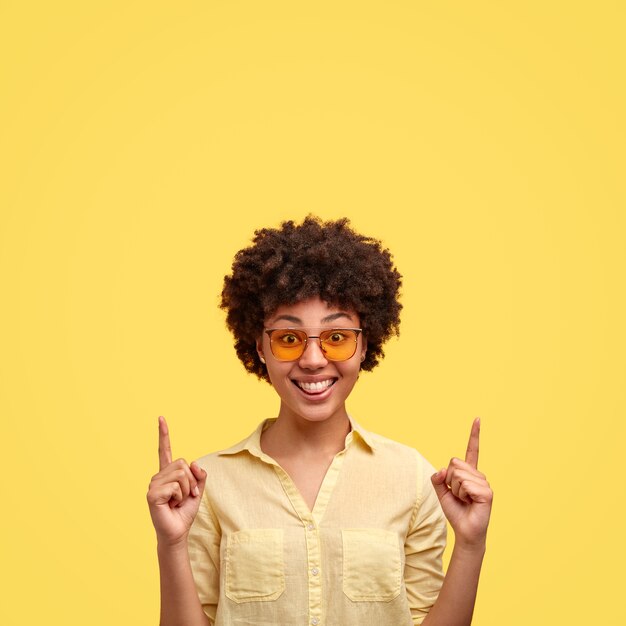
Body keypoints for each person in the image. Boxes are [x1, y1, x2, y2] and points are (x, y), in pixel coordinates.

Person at [147, 215, 493, 626]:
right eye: (289, 339)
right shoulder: (207, 485)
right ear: (260, 346)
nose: (313, 360)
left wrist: (470, 545)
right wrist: (170, 544)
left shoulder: (413, 480)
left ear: (365, 344)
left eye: (337, 338)